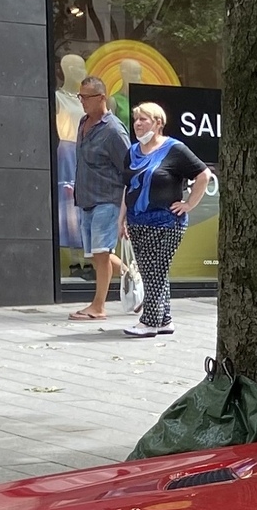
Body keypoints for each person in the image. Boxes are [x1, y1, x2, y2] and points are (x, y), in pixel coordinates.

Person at [121, 99, 210, 338]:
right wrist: (122, 218)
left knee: (155, 271)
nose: (137, 124)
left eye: (143, 119)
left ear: (158, 123)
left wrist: (189, 204)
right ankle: (165, 319)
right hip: (137, 221)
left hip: (167, 222)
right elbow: (128, 186)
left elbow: (204, 174)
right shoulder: (132, 151)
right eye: (136, 119)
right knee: (154, 271)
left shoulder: (175, 149)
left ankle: (149, 322)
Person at [66, 74, 130, 319]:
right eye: (80, 96)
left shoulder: (113, 130)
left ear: (101, 97)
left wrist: (126, 207)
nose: (82, 101)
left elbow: (128, 167)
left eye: (86, 97)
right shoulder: (83, 122)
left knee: (101, 254)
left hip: (107, 198)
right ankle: (134, 282)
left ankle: (98, 307)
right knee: (95, 253)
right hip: (85, 198)